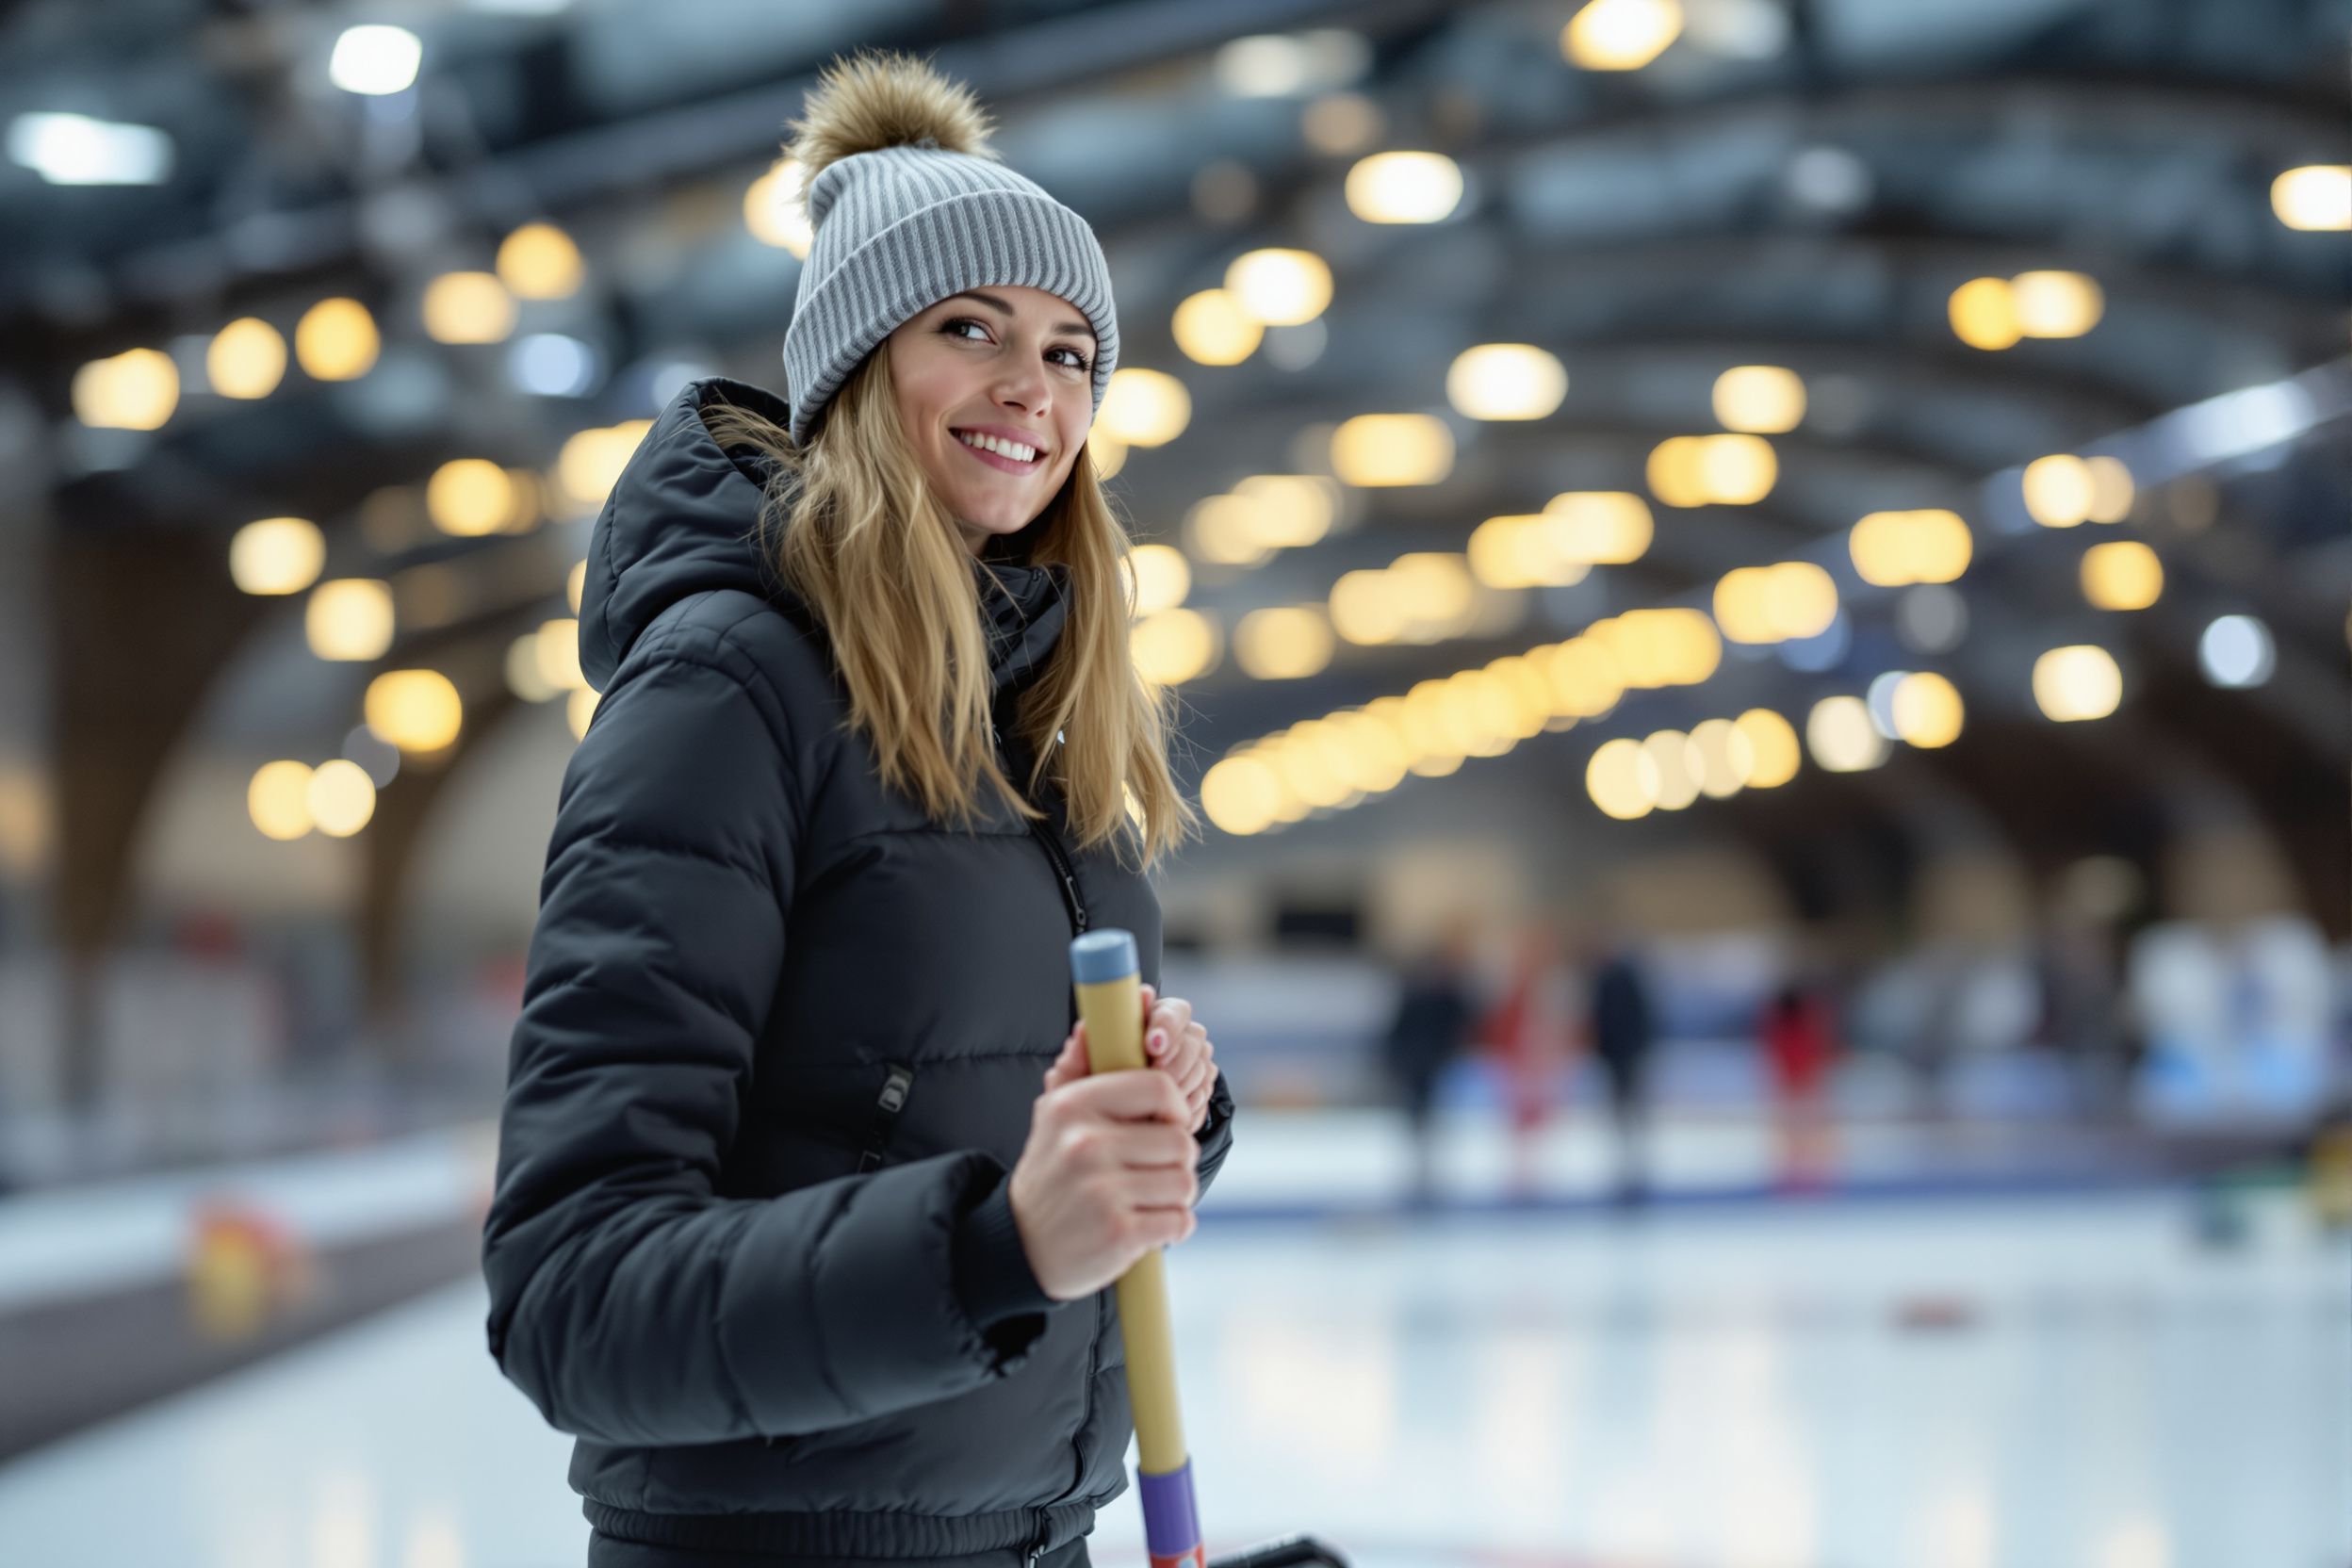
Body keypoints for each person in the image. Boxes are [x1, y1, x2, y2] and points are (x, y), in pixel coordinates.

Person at [480, 51, 1233, 1568]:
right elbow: (570, 1295)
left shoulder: (1035, 715)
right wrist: (996, 1243)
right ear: (853, 368)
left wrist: (1165, 1116)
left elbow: (946, 1104)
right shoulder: (726, 694)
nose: (1036, 385)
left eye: (1074, 350)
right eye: (972, 329)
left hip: (1033, 1536)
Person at [1379, 920, 1478, 1205]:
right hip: (1419, 1066)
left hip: (1435, 1066)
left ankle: (1434, 1171)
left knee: (1434, 1119)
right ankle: (1423, 1171)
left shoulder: (1448, 995)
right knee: (1419, 1119)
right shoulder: (1419, 994)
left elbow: (1460, 1028)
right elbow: (1398, 1030)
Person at [1586, 931, 1655, 1207]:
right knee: (1619, 1113)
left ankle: (1635, 1168)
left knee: (1631, 1112)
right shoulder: (1602, 979)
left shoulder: (1628, 979)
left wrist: (1638, 1049)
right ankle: (1623, 1167)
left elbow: (1640, 1018)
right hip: (1614, 1057)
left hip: (1628, 1056)